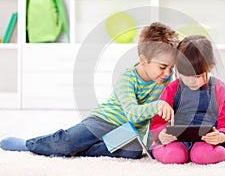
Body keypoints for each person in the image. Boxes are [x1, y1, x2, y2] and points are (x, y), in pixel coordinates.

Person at [0, 22, 179, 159]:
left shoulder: (166, 80)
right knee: (66, 143)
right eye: (163, 66)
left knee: (132, 152)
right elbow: (133, 113)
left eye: (172, 67)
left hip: (128, 131)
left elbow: (156, 118)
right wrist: (157, 105)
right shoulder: (127, 79)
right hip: (104, 121)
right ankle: (30, 144)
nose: (168, 72)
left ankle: (82, 151)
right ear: (144, 59)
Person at [150, 35, 225, 164]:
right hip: (176, 140)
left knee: (202, 156)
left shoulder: (220, 91)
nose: (191, 81)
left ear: (210, 67)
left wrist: (221, 136)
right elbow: (158, 121)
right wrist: (161, 134)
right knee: (173, 156)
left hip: (206, 141)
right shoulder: (172, 89)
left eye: (197, 76)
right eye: (185, 75)